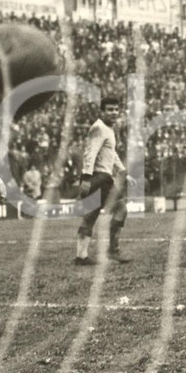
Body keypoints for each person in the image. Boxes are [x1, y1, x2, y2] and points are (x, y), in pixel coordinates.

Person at [74, 96, 134, 265]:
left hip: (99, 177)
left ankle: (81, 256)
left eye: (116, 109)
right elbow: (89, 153)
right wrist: (86, 177)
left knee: (91, 216)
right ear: (102, 111)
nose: (114, 112)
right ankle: (112, 251)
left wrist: (122, 171)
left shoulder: (107, 129)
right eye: (110, 109)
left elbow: (111, 154)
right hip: (99, 177)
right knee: (121, 208)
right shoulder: (99, 128)